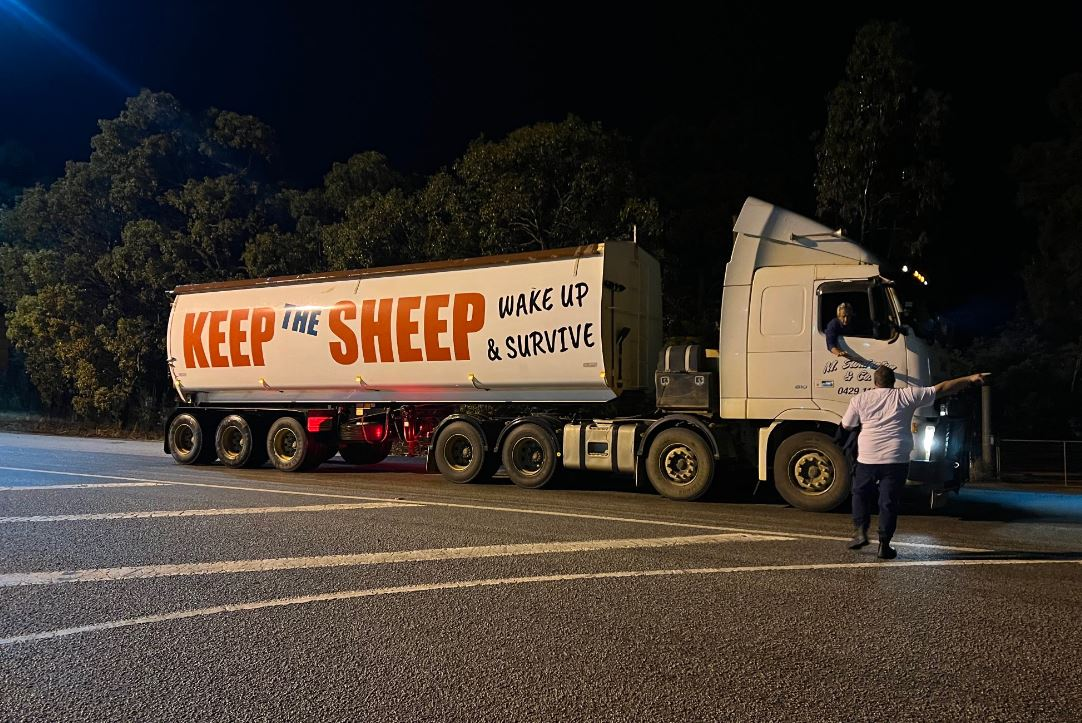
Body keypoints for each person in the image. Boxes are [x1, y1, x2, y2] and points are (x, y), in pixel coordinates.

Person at [841, 366, 989, 559]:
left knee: (860, 493)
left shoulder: (859, 399)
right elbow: (943, 388)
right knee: (888, 501)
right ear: (893, 382)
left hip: (867, 458)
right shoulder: (906, 396)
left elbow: (847, 425)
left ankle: (860, 531)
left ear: (875, 382)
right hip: (896, 458)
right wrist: (970, 377)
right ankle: (884, 545)